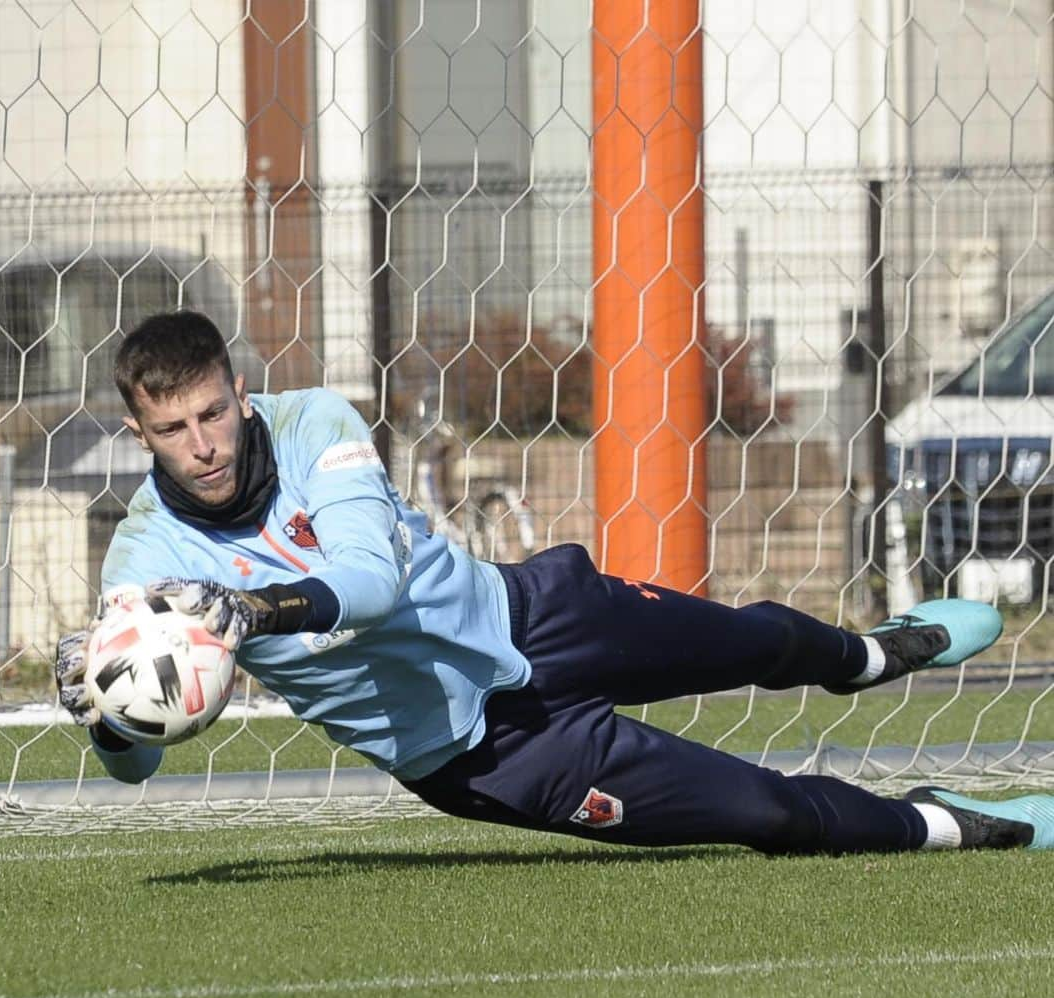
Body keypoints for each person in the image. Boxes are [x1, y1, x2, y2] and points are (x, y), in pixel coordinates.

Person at [55, 310, 1054, 855]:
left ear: (240, 388)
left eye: (215, 413)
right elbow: (138, 766)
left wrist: (251, 611)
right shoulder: (144, 571)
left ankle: (871, 654)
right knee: (765, 815)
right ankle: (939, 822)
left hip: (540, 615)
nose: (207, 445)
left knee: (758, 640)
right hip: (484, 757)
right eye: (176, 430)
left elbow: (366, 583)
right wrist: (106, 714)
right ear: (138, 434)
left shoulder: (314, 421)